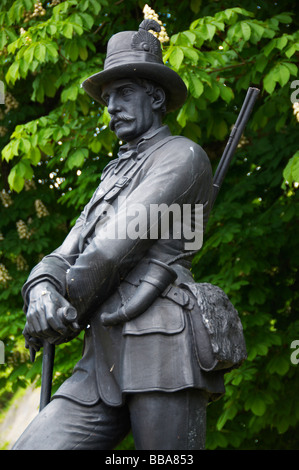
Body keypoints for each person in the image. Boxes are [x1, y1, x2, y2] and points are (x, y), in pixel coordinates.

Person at [13, 20, 246, 451]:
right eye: (107, 98)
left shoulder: (181, 156)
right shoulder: (112, 174)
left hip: (163, 350)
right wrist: (41, 291)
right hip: (100, 359)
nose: (111, 107)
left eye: (124, 94)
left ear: (155, 97)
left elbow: (110, 250)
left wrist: (61, 316)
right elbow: (66, 251)